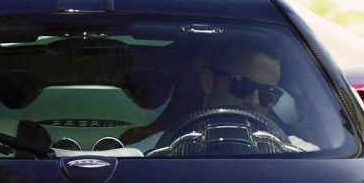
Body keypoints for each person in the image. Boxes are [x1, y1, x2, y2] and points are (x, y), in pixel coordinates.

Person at [123, 43, 288, 151]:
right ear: (208, 81)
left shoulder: (290, 149)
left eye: (268, 94)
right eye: (242, 86)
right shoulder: (155, 151)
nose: (254, 102)